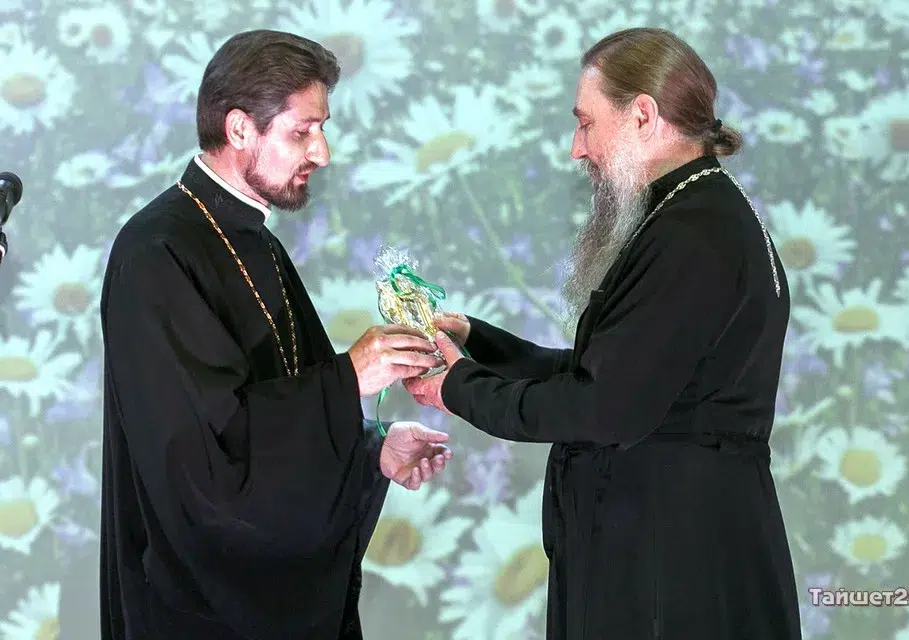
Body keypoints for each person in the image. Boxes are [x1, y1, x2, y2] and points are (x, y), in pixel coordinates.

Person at [405, 27, 802, 640]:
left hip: (668, 564)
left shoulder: (692, 233)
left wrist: (456, 386)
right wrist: (479, 342)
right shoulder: (700, 213)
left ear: (643, 114)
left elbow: (604, 408)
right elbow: (618, 373)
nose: (577, 149)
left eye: (586, 124)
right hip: (678, 538)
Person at [98, 29, 453, 640]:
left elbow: (283, 401)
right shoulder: (157, 253)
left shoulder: (254, 240)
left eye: (322, 129)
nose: (323, 152)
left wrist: (372, 449)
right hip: (197, 612)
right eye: (302, 132)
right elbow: (201, 458)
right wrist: (348, 377)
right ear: (239, 129)